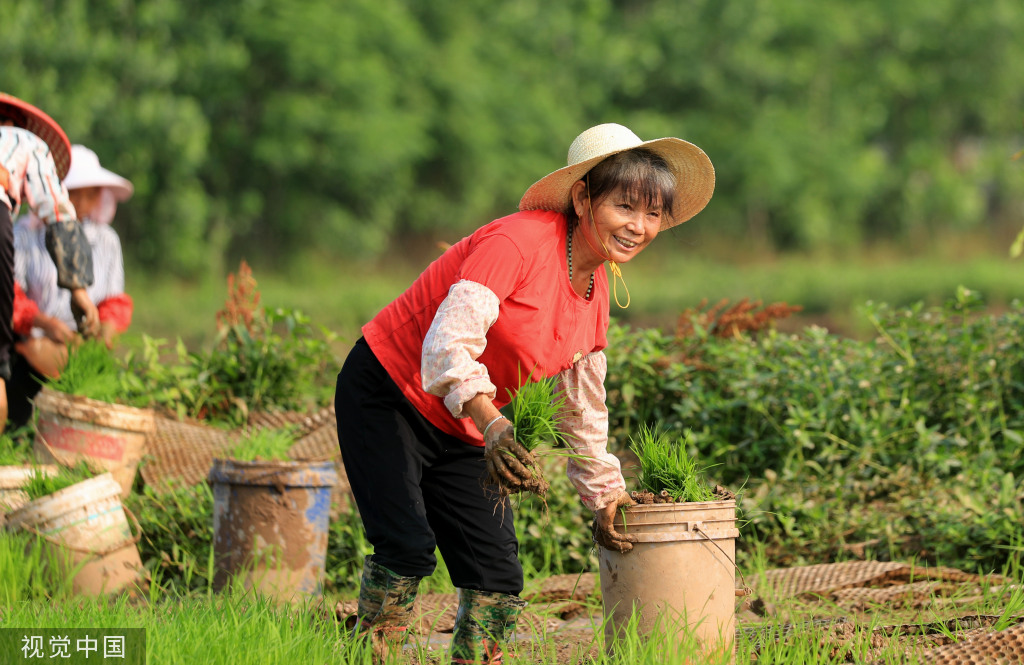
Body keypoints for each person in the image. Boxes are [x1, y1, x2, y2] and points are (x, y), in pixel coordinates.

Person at [334, 122, 715, 664]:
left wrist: (605, 497)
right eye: (625, 207)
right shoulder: (517, 242)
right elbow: (447, 347)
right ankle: (366, 656)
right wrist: (493, 424)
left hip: (469, 421)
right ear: (583, 198)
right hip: (391, 391)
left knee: (496, 573)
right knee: (406, 546)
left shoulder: (597, 288)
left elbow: (581, 404)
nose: (639, 226)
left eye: (653, 214)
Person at [7, 144, 134, 427]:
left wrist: (103, 336)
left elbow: (113, 300)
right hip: (31, 339)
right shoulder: (26, 236)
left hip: (81, 343)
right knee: (21, 419)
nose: (83, 201)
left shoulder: (106, 240)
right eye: (76, 193)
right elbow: (11, 296)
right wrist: (47, 325)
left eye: (92, 194)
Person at [0, 93, 98, 433]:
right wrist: (79, 290)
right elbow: (58, 213)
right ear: (14, 124)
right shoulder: (25, 142)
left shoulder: (108, 238)